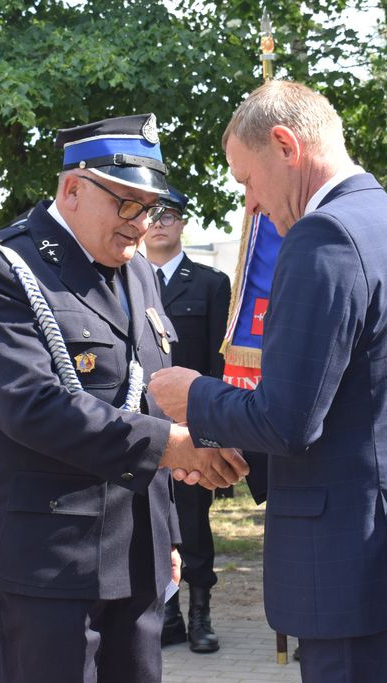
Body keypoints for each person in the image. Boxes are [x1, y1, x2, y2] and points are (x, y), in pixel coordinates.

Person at [149, 81, 387, 682]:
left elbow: (288, 419)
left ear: (285, 145)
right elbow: (360, 405)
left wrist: (192, 396)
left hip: (359, 576)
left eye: (246, 180)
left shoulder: (323, 237)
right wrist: (230, 449)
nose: (249, 205)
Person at [0, 113, 248, 682]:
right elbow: (32, 404)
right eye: (128, 204)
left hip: (137, 552)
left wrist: (171, 536)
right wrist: (173, 446)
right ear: (73, 189)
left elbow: (148, 394)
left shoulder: (139, 275)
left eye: (152, 209)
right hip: (48, 555)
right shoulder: (3, 268)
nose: (141, 226)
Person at [144, 186, 231, 653]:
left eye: (169, 214)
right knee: (150, 522)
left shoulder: (210, 284)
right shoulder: (125, 279)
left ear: (182, 224)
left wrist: (215, 431)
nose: (159, 222)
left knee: (193, 523)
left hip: (192, 428)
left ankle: (199, 614)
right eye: (151, 213)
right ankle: (166, 615)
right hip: (140, 429)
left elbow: (219, 366)